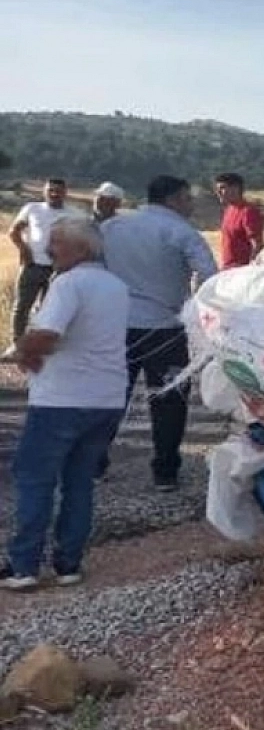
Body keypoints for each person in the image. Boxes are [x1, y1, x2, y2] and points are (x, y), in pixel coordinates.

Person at [2, 216, 131, 590]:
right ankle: (68, 564)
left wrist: (24, 351)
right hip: (106, 397)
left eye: (56, 242)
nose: (49, 249)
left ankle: (24, 566)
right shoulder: (116, 286)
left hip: (62, 399)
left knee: (34, 480)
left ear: (81, 248)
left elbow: (47, 334)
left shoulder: (68, 284)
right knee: (79, 482)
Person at [100, 175, 220, 491]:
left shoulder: (113, 227)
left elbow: (94, 266)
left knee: (109, 395)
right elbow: (210, 278)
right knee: (169, 401)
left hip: (117, 325)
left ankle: (94, 463)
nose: (191, 204)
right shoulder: (182, 232)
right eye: (188, 198)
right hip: (165, 329)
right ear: (174, 199)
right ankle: (165, 471)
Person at [6, 178, 85, 354]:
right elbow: (14, 231)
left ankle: (43, 346)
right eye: (51, 190)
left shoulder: (75, 215)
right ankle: (17, 345)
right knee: (22, 307)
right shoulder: (32, 209)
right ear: (44, 192)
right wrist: (24, 250)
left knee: (50, 309)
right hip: (33, 266)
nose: (54, 194)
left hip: (59, 270)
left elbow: (84, 240)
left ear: (65, 192)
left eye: (58, 191)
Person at [214, 171, 264, 269]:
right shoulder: (229, 210)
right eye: (217, 189)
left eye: (222, 188)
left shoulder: (248, 212)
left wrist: (250, 269)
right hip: (228, 269)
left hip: (242, 271)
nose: (218, 193)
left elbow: (257, 245)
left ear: (235, 188)